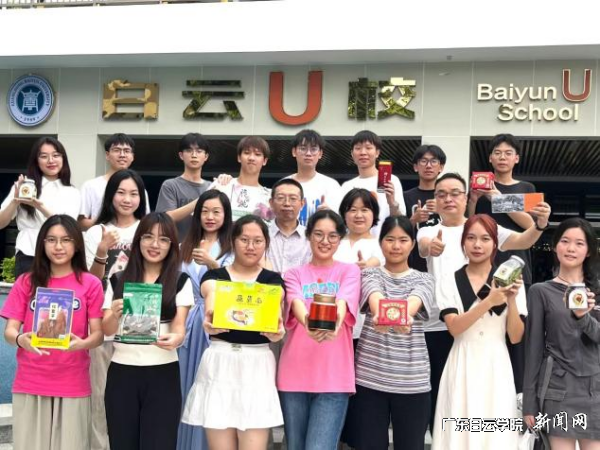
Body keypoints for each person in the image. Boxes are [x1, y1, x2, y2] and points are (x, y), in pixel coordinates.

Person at [416, 172, 550, 432]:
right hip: (439, 323)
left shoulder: (483, 227)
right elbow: (423, 246)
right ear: (435, 199)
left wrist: (540, 225)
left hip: (486, 326)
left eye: (455, 193)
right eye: (441, 194)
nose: (448, 199)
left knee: (484, 395)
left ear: (466, 197)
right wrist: (431, 246)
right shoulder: (429, 230)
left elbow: (523, 240)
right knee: (443, 394)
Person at [182, 215, 286, 450]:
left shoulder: (272, 280)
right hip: (220, 360)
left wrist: (278, 331)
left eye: (258, 241)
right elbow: (211, 293)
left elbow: (277, 303)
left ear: (266, 243)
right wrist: (210, 316)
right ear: (233, 241)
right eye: (244, 240)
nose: (251, 246)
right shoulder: (215, 276)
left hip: (257, 363)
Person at [1, 215, 104, 450]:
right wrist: (21, 340)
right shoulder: (26, 282)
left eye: (66, 240)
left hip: (72, 381)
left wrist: (83, 344)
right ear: (42, 244)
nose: (58, 246)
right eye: (51, 240)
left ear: (77, 244)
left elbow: (98, 334)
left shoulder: (90, 283)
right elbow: (10, 331)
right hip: (31, 380)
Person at [432, 214, 526, 450]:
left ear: (495, 244)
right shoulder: (449, 279)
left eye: (485, 239)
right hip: (462, 361)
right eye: (471, 238)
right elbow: (454, 327)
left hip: (497, 364)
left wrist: (511, 300)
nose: (477, 245)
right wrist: (489, 301)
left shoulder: (511, 280)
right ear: (463, 242)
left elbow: (515, 336)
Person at [102, 213, 193, 450]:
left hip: (163, 373)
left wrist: (176, 338)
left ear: (171, 245)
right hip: (122, 372)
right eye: (148, 237)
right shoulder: (117, 279)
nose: (155, 244)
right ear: (138, 240)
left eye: (163, 239)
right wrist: (114, 313)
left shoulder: (180, 281)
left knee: (159, 443)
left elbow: (179, 327)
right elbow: (106, 329)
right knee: (122, 443)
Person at [277, 210, 361, 450]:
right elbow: (295, 302)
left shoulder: (350, 271)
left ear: (340, 238)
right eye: (318, 234)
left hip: (334, 377)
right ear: (309, 236)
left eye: (332, 236)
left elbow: (343, 302)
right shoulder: (293, 274)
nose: (325, 241)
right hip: (294, 374)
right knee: (295, 446)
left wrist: (334, 323)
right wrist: (308, 324)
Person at [352, 215, 435, 450]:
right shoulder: (369, 274)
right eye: (390, 239)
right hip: (370, 379)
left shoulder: (425, 279)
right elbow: (375, 297)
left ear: (412, 244)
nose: (396, 246)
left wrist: (394, 316)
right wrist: (391, 315)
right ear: (381, 243)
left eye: (403, 240)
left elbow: (414, 302)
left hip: (412, 381)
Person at [83, 169, 147, 450]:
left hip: (141, 325)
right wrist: (101, 251)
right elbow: (90, 281)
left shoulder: (147, 230)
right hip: (103, 323)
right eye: (121, 192)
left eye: (134, 193)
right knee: (100, 397)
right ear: (110, 196)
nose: (127, 199)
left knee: (134, 401)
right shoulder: (96, 231)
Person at [523, 218, 600, 449]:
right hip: (558, 390)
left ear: (588, 251)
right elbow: (534, 348)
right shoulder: (540, 291)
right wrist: (529, 403)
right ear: (556, 246)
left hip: (595, 390)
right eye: (565, 241)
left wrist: (583, 317)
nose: (571, 248)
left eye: (579, 243)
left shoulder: (596, 292)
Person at [468, 134, 536, 394]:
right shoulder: (480, 187)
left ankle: (517, 394)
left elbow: (531, 224)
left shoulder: (526, 188)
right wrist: (474, 200)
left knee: (516, 332)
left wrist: (497, 197)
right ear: (490, 158)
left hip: (517, 267)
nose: (502, 157)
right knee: (484, 327)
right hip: (483, 269)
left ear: (517, 158)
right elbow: (470, 225)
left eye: (508, 153)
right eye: (497, 152)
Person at [177, 189, 234, 450]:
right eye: (205, 211)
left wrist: (213, 264)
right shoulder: (183, 247)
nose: (210, 217)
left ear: (226, 215)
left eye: (216, 211)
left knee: (212, 389)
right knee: (183, 387)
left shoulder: (232, 248)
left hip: (217, 322)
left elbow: (236, 286)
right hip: (186, 321)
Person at [0, 137, 81, 277]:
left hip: (60, 255)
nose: (51, 160)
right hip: (28, 253)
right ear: (36, 161)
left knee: (58, 292)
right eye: (44, 156)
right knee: (29, 291)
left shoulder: (72, 192)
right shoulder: (24, 187)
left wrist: (40, 206)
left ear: (63, 158)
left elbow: (68, 227)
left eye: (56, 155)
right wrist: (15, 200)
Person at [332, 130, 406, 238]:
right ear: (352, 154)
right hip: (354, 244)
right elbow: (341, 221)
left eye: (368, 148)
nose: (363, 152)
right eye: (358, 148)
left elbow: (401, 220)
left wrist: (392, 203)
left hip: (383, 244)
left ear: (377, 152)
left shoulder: (391, 180)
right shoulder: (347, 186)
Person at [78, 133, 149, 231]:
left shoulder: (139, 190)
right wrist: (108, 224)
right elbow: (80, 223)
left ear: (132, 156)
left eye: (127, 151)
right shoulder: (90, 186)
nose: (122, 155)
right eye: (117, 150)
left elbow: (145, 221)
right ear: (107, 155)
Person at [156, 133, 211, 237]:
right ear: (181, 155)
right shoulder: (170, 185)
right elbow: (165, 219)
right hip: (176, 245)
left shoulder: (212, 186)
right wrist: (201, 200)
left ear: (206, 156)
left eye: (199, 151)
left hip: (204, 245)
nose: (194, 155)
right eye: (189, 150)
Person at [403, 144, 446, 273]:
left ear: (441, 167)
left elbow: (461, 223)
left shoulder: (448, 196)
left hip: (443, 262)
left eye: (434, 161)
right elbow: (397, 231)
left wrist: (442, 211)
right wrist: (413, 220)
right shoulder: (405, 196)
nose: (428, 166)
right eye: (423, 161)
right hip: (413, 264)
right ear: (415, 167)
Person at [212, 136, 273, 223]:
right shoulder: (222, 184)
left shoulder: (269, 196)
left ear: (265, 161)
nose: (251, 158)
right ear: (239, 157)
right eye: (247, 153)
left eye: (257, 154)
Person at [286, 129, 341, 225]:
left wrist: (330, 214)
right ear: (294, 151)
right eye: (303, 148)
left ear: (320, 153)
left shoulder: (331, 185)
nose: (308, 153)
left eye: (313, 149)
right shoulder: (284, 184)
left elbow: (341, 221)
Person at [267, 178, 311, 274]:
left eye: (293, 199)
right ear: (271, 203)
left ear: (302, 204)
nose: (287, 203)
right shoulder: (262, 234)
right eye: (281, 198)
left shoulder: (311, 237)